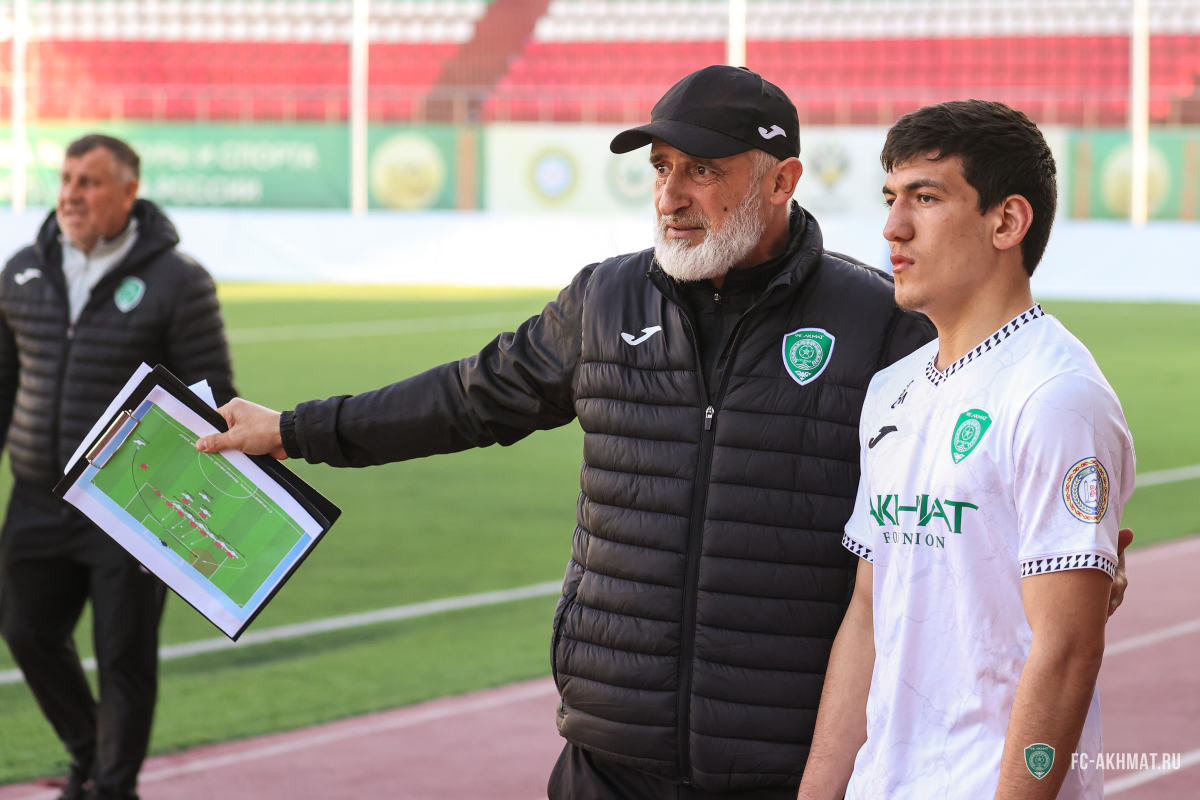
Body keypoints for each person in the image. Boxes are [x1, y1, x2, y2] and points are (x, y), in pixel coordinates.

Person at [195, 69, 1127, 798]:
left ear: (782, 181)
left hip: (779, 757)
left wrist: (1065, 563)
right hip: (609, 750)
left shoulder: (880, 323)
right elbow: (468, 398)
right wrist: (295, 430)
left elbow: (982, 476)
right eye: (661, 169)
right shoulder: (606, 300)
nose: (671, 196)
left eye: (702, 170)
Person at [797, 101, 1136, 800]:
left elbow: (1067, 653)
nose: (893, 227)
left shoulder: (1056, 396)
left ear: (1006, 222)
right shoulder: (892, 390)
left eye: (925, 198)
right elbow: (867, 612)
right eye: (891, 199)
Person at [0, 134, 236, 800]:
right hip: (36, 497)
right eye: (67, 179)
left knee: (123, 656)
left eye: (90, 182)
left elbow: (212, 395)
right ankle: (88, 756)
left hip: (128, 506)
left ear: (129, 192)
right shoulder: (22, 271)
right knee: (25, 632)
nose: (72, 195)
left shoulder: (178, 282)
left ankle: (111, 787)